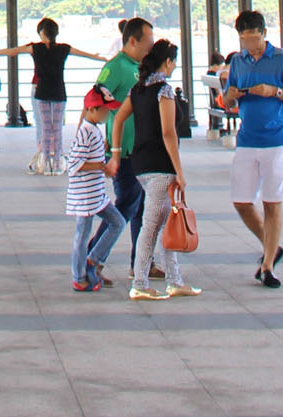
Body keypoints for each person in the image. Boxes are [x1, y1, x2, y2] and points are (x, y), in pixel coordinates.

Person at [108, 38, 201, 301]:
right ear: (168, 62)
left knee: (163, 222)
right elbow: (169, 133)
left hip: (140, 165)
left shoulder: (137, 90)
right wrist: (179, 172)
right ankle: (139, 282)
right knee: (151, 225)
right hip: (161, 165)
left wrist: (116, 153)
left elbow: (118, 120)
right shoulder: (164, 91)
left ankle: (174, 280)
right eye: (173, 62)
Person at [221, 9, 283, 287]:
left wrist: (275, 91)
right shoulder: (238, 61)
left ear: (264, 35)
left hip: (277, 139)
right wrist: (230, 96)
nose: (250, 45)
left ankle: (268, 265)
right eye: (245, 40)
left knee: (272, 201)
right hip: (247, 138)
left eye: (254, 39)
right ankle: (271, 243)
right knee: (242, 202)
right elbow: (229, 101)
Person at [0, 17, 106, 173]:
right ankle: (57, 163)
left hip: (42, 91)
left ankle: (46, 163)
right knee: (57, 128)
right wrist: (99, 57)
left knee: (46, 128)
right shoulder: (63, 48)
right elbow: (83, 54)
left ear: (42, 33)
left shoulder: (35, 48)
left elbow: (14, 51)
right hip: (59, 91)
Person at [97, 16, 154, 273]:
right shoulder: (116, 67)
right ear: (132, 40)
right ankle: (93, 257)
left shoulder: (141, 67)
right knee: (126, 206)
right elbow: (96, 100)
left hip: (143, 151)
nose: (150, 47)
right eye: (148, 42)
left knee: (142, 209)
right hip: (124, 151)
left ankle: (141, 263)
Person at [65, 85, 126, 291]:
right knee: (82, 234)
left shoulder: (93, 130)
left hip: (95, 194)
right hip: (85, 196)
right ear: (92, 110)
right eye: (104, 110)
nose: (108, 114)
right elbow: (74, 164)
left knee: (117, 222)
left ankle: (93, 260)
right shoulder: (86, 132)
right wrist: (102, 166)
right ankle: (79, 275)